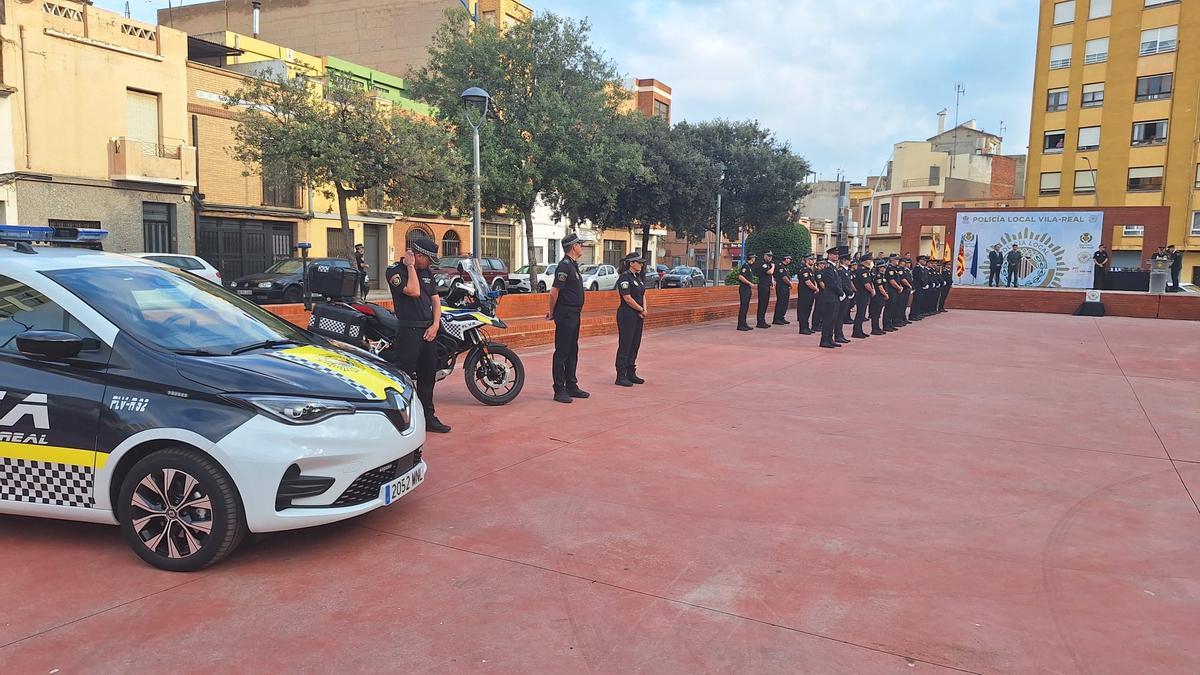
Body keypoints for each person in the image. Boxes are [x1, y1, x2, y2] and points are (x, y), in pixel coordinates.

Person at [385, 237, 450, 434]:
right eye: (427, 259)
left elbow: (436, 300)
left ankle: (428, 418)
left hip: (428, 331)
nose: (429, 263)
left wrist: (435, 325)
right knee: (403, 377)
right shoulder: (395, 272)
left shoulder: (427, 272)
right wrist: (410, 266)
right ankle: (400, 419)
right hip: (408, 331)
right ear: (417, 255)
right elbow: (413, 291)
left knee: (427, 377)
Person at [547, 233, 589, 404]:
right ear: (573, 247)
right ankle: (559, 389)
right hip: (565, 314)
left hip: (574, 314)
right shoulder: (564, 266)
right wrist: (551, 312)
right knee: (562, 352)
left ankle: (571, 385)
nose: (582, 247)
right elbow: (554, 292)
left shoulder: (572, 265)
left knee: (573, 350)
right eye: (580, 244)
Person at [614, 253, 648, 387]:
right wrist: (640, 309)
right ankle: (621, 375)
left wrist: (644, 309)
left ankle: (631, 372)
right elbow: (627, 298)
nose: (641, 264)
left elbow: (643, 294)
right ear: (631, 263)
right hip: (627, 315)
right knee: (626, 344)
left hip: (638, 314)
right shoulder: (624, 277)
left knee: (635, 344)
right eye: (638, 262)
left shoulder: (638, 277)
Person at [816, 248, 844, 349]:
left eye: (837, 254)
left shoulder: (833, 268)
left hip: (834, 297)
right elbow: (832, 283)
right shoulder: (828, 268)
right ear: (829, 255)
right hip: (830, 297)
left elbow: (837, 282)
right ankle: (824, 340)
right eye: (834, 254)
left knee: (833, 319)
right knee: (828, 319)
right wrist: (841, 292)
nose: (836, 256)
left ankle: (830, 339)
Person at [852, 253, 874, 339]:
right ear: (865, 261)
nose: (871, 261)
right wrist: (872, 291)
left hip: (863, 293)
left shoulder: (865, 269)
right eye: (870, 260)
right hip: (862, 293)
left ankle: (859, 330)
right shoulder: (863, 270)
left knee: (862, 313)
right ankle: (856, 331)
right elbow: (866, 284)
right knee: (860, 313)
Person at [796, 253, 818, 335]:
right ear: (807, 260)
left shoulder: (809, 270)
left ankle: (806, 327)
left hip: (810, 293)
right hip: (805, 294)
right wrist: (816, 288)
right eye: (812, 259)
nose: (813, 261)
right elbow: (808, 282)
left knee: (808, 310)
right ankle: (803, 328)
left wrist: (815, 287)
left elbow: (813, 280)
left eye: (813, 259)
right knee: (804, 311)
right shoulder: (804, 270)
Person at [835, 256, 853, 343]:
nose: (850, 261)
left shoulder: (846, 271)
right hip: (843, 296)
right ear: (844, 261)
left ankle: (840, 334)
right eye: (848, 260)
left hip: (847, 296)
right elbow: (842, 284)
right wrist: (849, 292)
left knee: (842, 316)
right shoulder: (841, 271)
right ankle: (838, 335)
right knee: (839, 316)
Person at [736, 254, 756, 331]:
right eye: (754, 257)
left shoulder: (749, 266)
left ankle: (744, 323)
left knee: (746, 307)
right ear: (751, 258)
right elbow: (740, 277)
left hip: (747, 289)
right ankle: (740, 324)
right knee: (743, 307)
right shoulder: (745, 266)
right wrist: (749, 283)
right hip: (744, 289)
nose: (755, 259)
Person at [756, 251, 776, 329]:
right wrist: (773, 266)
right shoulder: (763, 264)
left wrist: (772, 282)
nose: (770, 257)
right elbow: (770, 272)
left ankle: (763, 321)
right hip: (763, 286)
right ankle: (760, 322)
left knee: (765, 304)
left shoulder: (769, 264)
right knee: (762, 304)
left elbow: (771, 275)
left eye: (771, 256)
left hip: (767, 286)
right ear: (764, 256)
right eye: (768, 256)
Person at [773, 254, 793, 325]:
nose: (790, 260)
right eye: (789, 259)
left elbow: (788, 276)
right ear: (785, 259)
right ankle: (777, 319)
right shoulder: (780, 266)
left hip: (785, 287)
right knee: (781, 302)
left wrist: (790, 282)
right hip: (781, 286)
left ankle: (781, 317)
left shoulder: (785, 267)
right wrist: (790, 283)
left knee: (785, 303)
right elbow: (784, 277)